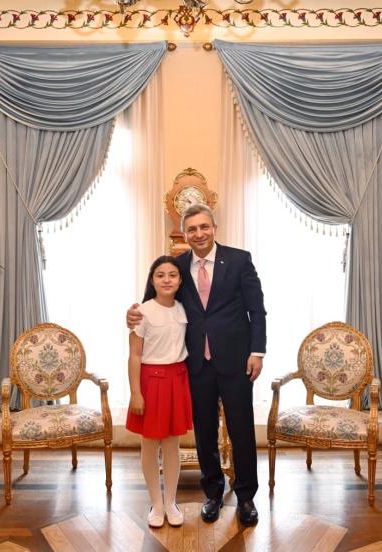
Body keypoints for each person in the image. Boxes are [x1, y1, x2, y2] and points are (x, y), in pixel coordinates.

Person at [128, 204, 266, 526]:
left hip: (236, 361)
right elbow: (158, 300)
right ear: (185, 234)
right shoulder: (176, 266)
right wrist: (133, 314)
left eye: (204, 227)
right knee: (205, 431)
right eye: (192, 229)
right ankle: (212, 493)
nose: (199, 233)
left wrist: (257, 352)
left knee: (241, 429)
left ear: (214, 227)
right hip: (195, 364)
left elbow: (257, 310)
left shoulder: (239, 260)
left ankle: (246, 497)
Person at [126, 255, 194, 529]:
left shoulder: (184, 309)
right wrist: (136, 393)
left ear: (180, 280)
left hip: (178, 379)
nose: (167, 280)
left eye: (172, 275)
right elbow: (134, 355)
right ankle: (156, 503)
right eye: (160, 275)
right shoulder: (142, 312)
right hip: (151, 382)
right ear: (152, 280)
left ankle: (171, 502)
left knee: (171, 445)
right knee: (150, 443)